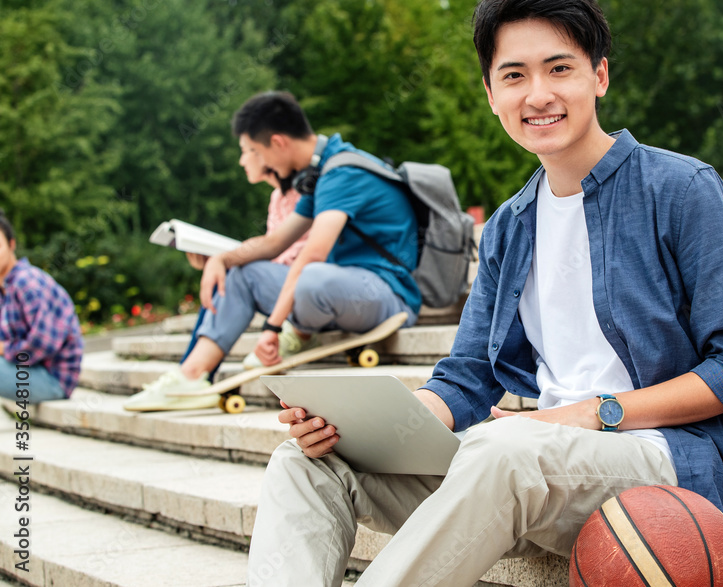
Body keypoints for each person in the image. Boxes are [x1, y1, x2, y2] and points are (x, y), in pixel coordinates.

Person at [247, 0, 723, 587]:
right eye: (515, 75)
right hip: (530, 465)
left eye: (559, 69)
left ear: (598, 77)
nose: (538, 94)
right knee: (309, 462)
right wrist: (379, 425)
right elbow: (468, 377)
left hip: (664, 460)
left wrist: (585, 415)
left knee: (503, 449)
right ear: (491, 93)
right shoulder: (507, 226)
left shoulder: (680, 189)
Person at [124, 92, 421, 412]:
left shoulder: (343, 173)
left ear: (277, 142)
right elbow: (274, 243)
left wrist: (272, 328)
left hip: (387, 294)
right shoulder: (323, 172)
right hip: (341, 289)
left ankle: (296, 333)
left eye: (252, 151)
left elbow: (313, 254)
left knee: (311, 277)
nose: (254, 161)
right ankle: (192, 374)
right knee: (243, 272)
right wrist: (223, 259)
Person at [180, 133, 310, 367]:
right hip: (285, 285)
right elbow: (276, 251)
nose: (241, 161)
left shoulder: (304, 192)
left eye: (246, 151)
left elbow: (287, 252)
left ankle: (193, 372)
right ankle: (191, 370)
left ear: (265, 152)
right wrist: (216, 259)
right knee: (224, 276)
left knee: (237, 275)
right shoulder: (277, 198)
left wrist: (230, 260)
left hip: (305, 288)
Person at [0, 209, 83, 404]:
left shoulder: (27, 282)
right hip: (29, 373)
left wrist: (4, 350)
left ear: (12, 245)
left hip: (53, 379)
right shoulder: (5, 289)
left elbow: (43, 343)